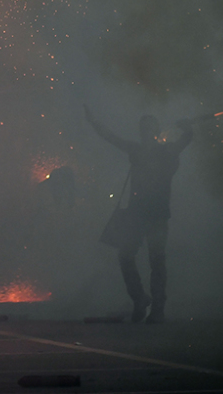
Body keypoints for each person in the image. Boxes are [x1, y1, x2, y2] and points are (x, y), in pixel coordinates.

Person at [85, 105, 193, 324]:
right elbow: (111, 138)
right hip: (138, 213)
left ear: (154, 131)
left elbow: (185, 140)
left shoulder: (165, 151)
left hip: (156, 213)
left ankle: (157, 308)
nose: (145, 132)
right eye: (142, 128)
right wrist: (94, 122)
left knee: (156, 261)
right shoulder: (137, 150)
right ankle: (141, 299)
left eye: (148, 128)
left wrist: (187, 129)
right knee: (126, 256)